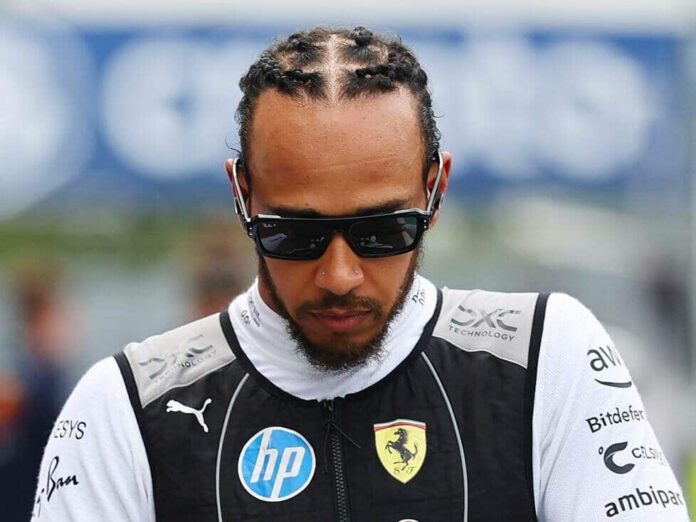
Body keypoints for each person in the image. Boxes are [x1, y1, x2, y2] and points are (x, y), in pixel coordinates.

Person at [32, 26, 689, 521]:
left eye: (383, 231)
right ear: (242, 195)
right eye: (295, 234)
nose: (340, 275)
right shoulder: (125, 405)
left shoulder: (545, 355)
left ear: (436, 189)